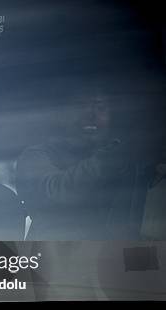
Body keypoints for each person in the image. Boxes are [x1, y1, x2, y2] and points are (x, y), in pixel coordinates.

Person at [16, 88, 146, 240]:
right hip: (57, 257)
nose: (91, 114)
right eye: (80, 106)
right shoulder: (36, 155)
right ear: (61, 115)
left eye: (101, 108)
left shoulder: (129, 164)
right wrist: (112, 158)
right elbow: (56, 192)